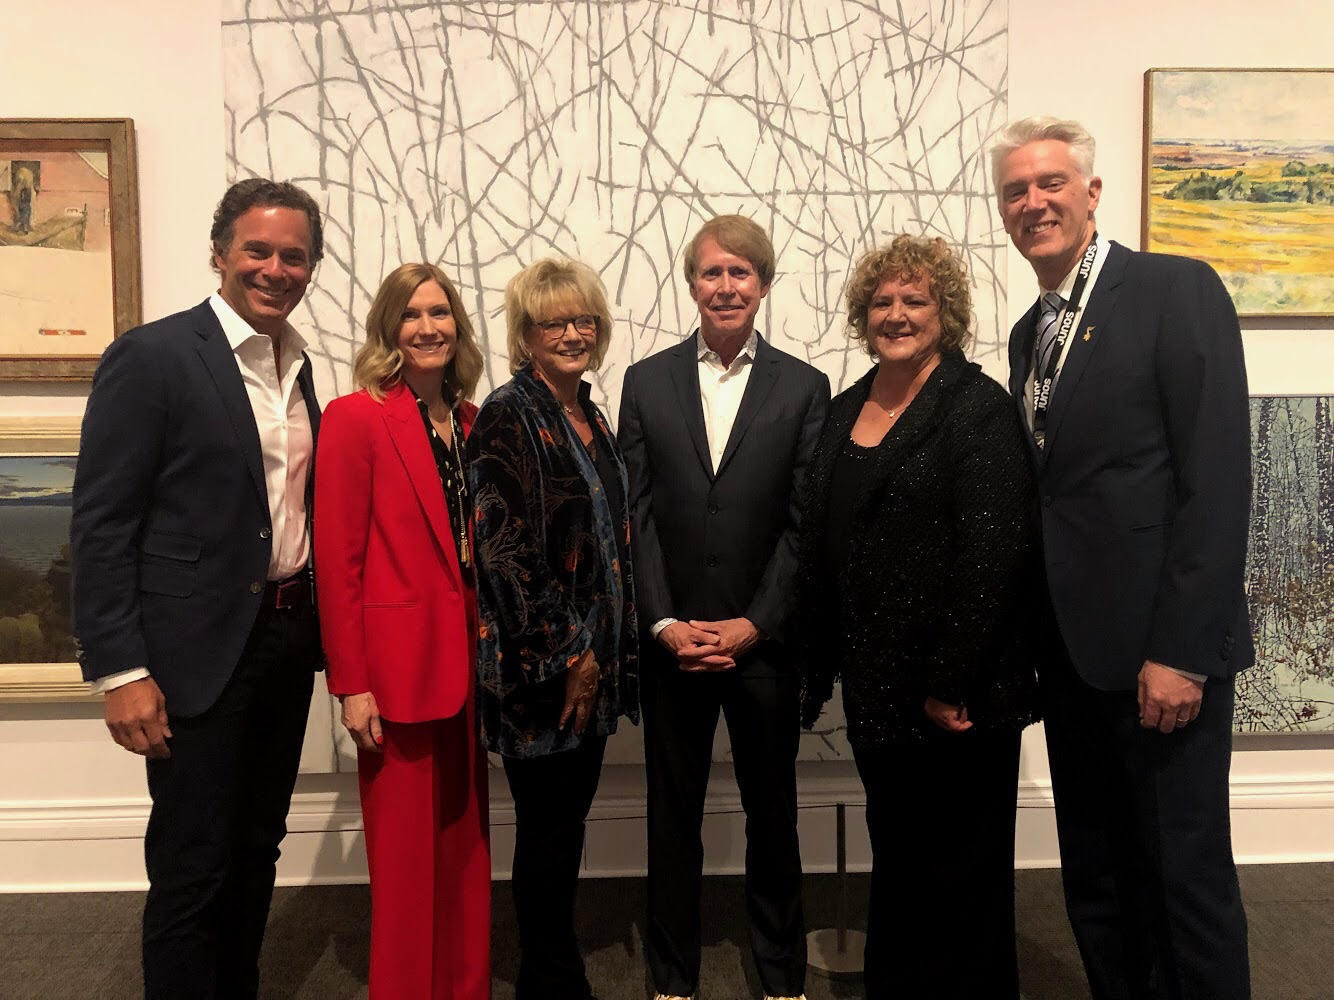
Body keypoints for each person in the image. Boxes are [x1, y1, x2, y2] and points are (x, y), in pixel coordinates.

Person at [993, 116, 1253, 999]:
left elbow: (1216, 483)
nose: (1033, 203)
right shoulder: (1029, 334)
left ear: (1092, 193)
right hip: (1072, 660)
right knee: (1098, 878)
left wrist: (1181, 652)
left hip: (1160, 657)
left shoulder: (1175, 290)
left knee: (1183, 883)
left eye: (1051, 183)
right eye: (1015, 191)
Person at [71, 178, 325, 999]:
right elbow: (102, 523)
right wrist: (120, 669)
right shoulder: (153, 357)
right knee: (193, 862)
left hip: (284, 643)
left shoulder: (298, 367)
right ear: (220, 253)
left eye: (294, 256)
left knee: (257, 847)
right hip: (192, 655)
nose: (275, 269)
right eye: (258, 250)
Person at [797, 234, 1040, 999]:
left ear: (947, 313)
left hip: (956, 699)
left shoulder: (975, 407)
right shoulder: (846, 408)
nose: (896, 314)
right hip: (879, 692)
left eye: (915, 300)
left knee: (961, 879)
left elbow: (993, 556)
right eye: (882, 302)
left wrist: (949, 683)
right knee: (900, 866)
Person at [618, 214, 829, 1000]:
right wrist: (664, 622)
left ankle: (781, 975)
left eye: (742, 272)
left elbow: (806, 521)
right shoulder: (645, 381)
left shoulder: (804, 387)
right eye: (713, 272)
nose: (727, 286)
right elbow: (634, 514)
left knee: (773, 816)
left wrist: (755, 623)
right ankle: (671, 978)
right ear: (692, 283)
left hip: (762, 644)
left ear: (764, 285)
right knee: (671, 819)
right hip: (672, 643)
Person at [315, 263, 490, 998]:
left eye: (440, 313)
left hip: (470, 667)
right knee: (404, 861)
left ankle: (464, 986)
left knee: (465, 845)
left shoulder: (474, 421)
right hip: (395, 675)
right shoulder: (354, 418)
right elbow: (338, 563)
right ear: (389, 327)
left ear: (458, 326)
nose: (428, 327)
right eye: (412, 314)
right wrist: (352, 685)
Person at [469, 257, 638, 1000]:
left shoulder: (589, 414)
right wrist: (572, 654)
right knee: (547, 830)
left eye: (583, 320)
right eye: (553, 323)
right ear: (526, 335)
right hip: (544, 674)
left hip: (592, 669)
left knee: (565, 826)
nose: (572, 334)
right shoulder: (509, 415)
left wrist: (599, 656)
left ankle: (551, 968)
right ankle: (550, 980)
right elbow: (503, 553)